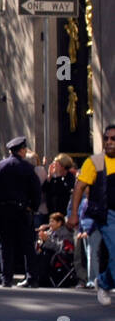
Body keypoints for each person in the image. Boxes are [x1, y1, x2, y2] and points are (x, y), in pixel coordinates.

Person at [67, 124, 115, 305]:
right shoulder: (94, 162)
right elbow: (79, 188)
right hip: (107, 214)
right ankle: (103, 282)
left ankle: (103, 281)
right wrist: (73, 215)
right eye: (106, 138)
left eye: (113, 139)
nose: (109, 142)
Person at [0, 136, 42, 288]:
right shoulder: (27, 168)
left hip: (5, 209)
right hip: (23, 209)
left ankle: (7, 278)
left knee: (6, 245)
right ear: (22, 150)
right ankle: (32, 277)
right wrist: (33, 206)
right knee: (27, 245)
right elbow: (36, 190)